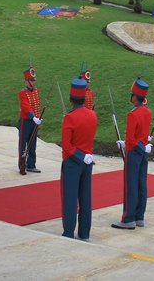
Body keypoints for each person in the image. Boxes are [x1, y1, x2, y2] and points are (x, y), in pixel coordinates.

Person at [112, 77, 152, 229]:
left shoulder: (133, 114)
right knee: (142, 183)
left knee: (131, 185)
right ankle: (139, 216)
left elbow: (131, 139)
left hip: (134, 152)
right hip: (143, 152)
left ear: (135, 97)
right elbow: (141, 136)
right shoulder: (147, 112)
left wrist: (126, 143)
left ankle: (128, 218)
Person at [61, 77, 98, 240]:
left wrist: (80, 156)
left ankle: (69, 232)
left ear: (71, 99)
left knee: (70, 199)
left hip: (73, 162)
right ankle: (84, 233)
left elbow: (67, 147)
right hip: (88, 162)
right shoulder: (93, 115)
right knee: (85, 198)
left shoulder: (70, 118)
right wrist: (85, 157)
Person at [18, 67, 42, 174]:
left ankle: (31, 164)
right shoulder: (23, 93)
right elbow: (26, 106)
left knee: (33, 143)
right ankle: (22, 164)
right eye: (32, 80)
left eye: (34, 80)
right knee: (23, 144)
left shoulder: (36, 91)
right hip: (26, 121)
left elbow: (36, 105)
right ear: (27, 81)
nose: (34, 82)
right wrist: (33, 117)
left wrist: (37, 118)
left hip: (34, 121)